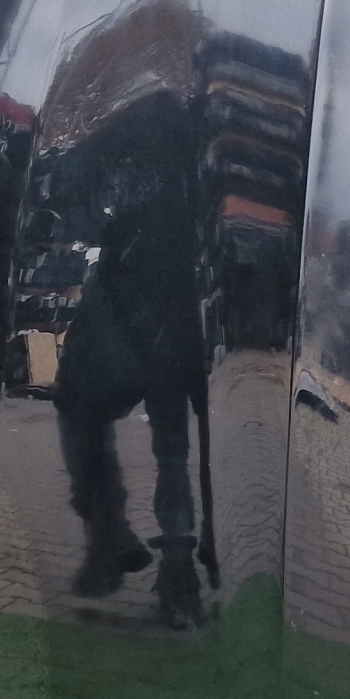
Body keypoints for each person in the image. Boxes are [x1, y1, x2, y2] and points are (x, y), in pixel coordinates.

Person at [49, 92, 213, 627]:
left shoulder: (150, 118)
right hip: (159, 300)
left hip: (146, 299)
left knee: (150, 429)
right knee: (168, 438)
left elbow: (72, 180)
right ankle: (166, 558)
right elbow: (74, 180)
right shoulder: (184, 121)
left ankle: (132, 544)